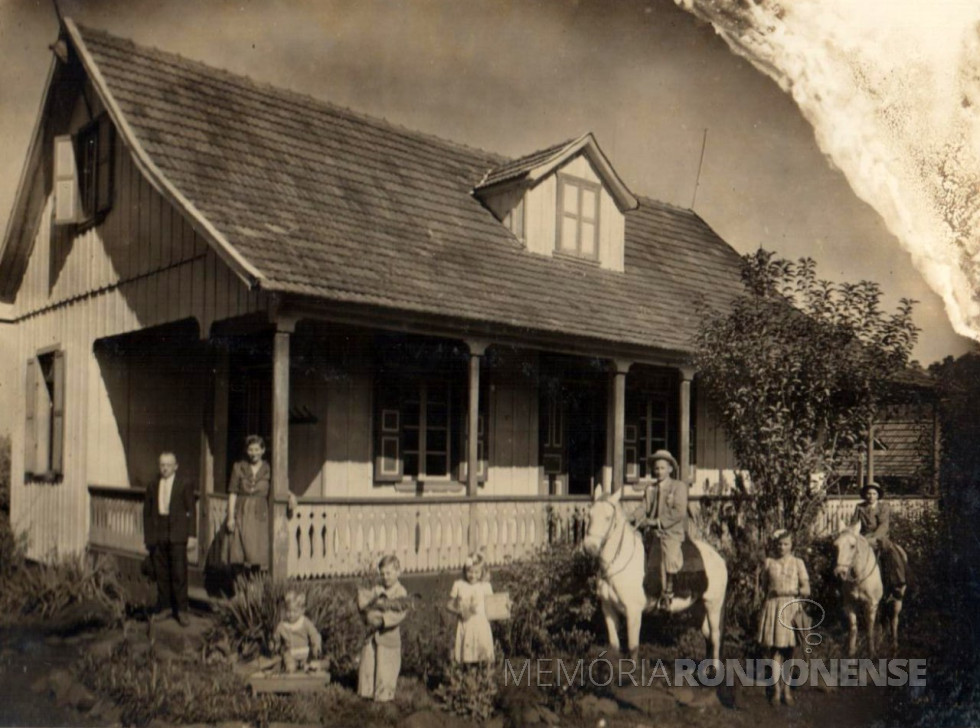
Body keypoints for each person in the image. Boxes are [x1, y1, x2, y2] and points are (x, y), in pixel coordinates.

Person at [757, 529, 810, 706]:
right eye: (779, 544)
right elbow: (764, 587)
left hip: (791, 608)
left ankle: (787, 690)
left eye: (786, 544)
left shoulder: (798, 563)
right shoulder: (769, 563)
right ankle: (776, 691)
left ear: (791, 545)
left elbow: (806, 589)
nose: (782, 547)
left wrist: (790, 591)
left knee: (790, 651)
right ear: (775, 545)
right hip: (774, 607)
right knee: (775, 651)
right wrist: (773, 594)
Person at [143, 451, 195, 627]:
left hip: (177, 532)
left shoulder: (184, 484)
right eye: (162, 465)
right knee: (161, 571)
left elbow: (191, 511)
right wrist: (148, 537)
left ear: (176, 466)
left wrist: (192, 535)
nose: (165, 468)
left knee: (179, 572)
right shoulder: (152, 485)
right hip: (159, 532)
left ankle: (181, 610)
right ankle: (164, 607)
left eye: (168, 465)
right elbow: (147, 514)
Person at [637, 449, 688, 609]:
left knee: (669, 554)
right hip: (652, 532)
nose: (659, 471)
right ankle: (644, 590)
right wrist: (630, 517)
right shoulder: (650, 489)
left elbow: (679, 512)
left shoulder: (678, 487)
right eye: (656, 468)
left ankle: (668, 592)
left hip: (670, 532)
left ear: (670, 469)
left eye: (662, 468)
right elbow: (643, 508)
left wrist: (657, 522)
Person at [357, 555, 410, 702]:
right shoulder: (377, 589)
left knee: (385, 668)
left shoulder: (401, 592)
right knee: (369, 663)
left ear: (398, 572)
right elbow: (364, 602)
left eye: (389, 573)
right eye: (382, 574)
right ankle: (366, 693)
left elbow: (400, 613)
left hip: (388, 636)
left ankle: (383, 697)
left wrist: (383, 620)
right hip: (372, 635)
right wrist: (367, 608)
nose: (385, 577)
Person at [850, 482, 906, 596]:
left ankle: (898, 582)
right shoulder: (860, 507)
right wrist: (854, 535)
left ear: (878, 495)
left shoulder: (883, 507)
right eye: (869, 493)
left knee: (892, 553)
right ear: (865, 495)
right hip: (863, 537)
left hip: (879, 537)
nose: (871, 496)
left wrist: (873, 538)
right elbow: (854, 523)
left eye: (874, 494)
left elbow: (884, 525)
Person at [226, 435, 271, 571]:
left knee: (256, 551)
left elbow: (280, 486)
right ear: (246, 451)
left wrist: (290, 495)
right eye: (250, 449)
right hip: (242, 510)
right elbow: (233, 492)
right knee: (238, 551)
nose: (253, 453)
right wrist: (230, 517)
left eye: (257, 449)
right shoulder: (239, 467)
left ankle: (254, 589)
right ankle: (239, 587)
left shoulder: (269, 468)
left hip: (260, 512)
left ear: (263, 450)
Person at [447, 553, 495, 665]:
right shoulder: (459, 585)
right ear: (465, 571)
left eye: (476, 572)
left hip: (481, 625)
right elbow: (448, 605)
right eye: (469, 571)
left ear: (482, 572)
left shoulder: (485, 586)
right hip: (466, 625)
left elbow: (493, 606)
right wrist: (460, 612)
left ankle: (483, 678)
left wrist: (505, 606)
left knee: (483, 657)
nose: (472, 575)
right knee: (467, 657)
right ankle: (467, 678)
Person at [274, 590, 323, 673]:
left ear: (302, 610)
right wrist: (275, 645)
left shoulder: (305, 622)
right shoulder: (282, 625)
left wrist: (316, 646)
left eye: (295, 611)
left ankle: (307, 668)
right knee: (290, 666)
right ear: (284, 610)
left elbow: (314, 634)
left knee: (310, 666)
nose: (291, 614)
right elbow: (276, 638)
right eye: (288, 611)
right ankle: (290, 670)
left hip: (305, 653)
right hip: (290, 653)